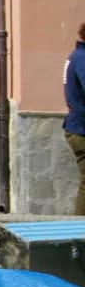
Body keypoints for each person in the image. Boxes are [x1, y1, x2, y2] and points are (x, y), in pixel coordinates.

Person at [63, 22, 85, 214]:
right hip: (81, 129)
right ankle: (79, 230)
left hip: (76, 126)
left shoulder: (76, 57)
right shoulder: (82, 58)